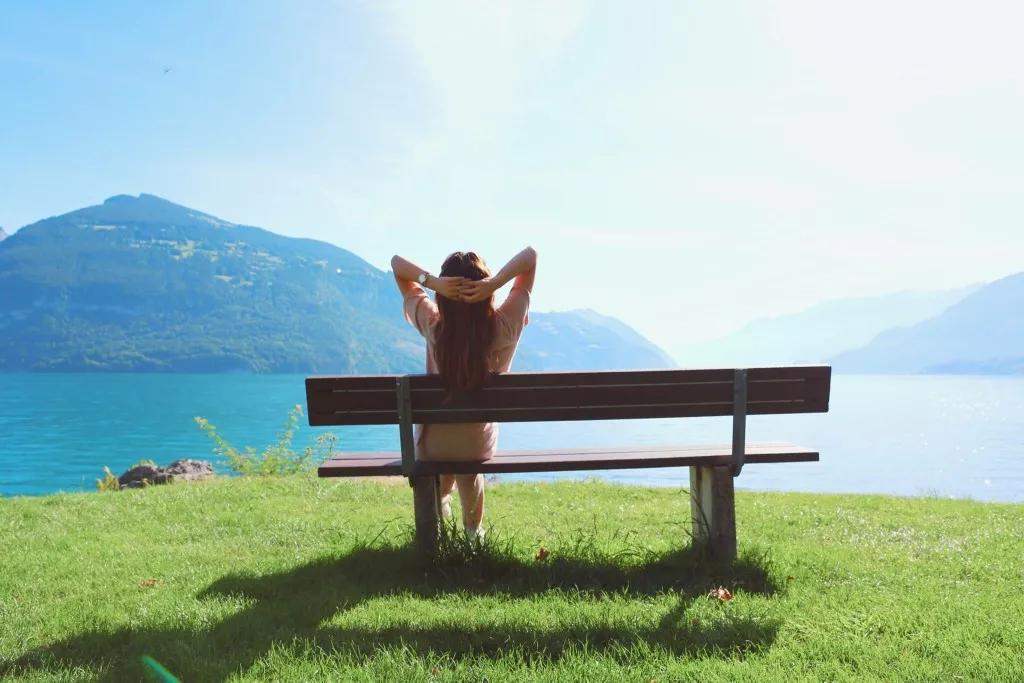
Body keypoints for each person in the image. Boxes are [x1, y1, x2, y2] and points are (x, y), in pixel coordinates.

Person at [390, 247, 537, 542]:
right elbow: (530, 258)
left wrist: (431, 282)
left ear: (442, 297)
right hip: (476, 446)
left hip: (432, 447)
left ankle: (441, 513)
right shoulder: (504, 326)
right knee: (468, 463)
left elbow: (397, 265)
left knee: (447, 450)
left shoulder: (433, 325)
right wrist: (493, 284)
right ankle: (472, 533)